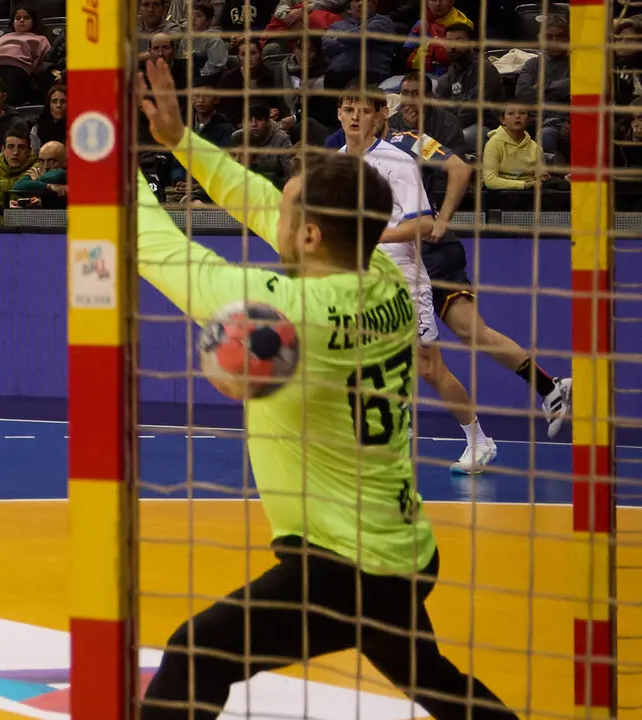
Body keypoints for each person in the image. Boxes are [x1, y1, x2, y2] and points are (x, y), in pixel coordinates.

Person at [134, 58, 521, 720]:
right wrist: (178, 141)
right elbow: (257, 198)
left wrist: (109, 163)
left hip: (344, 567)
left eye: (288, 211)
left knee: (196, 655)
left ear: (309, 233)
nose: (270, 212)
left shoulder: (284, 311)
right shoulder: (381, 277)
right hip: (400, 548)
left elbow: (157, 250)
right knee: (428, 676)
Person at [379, 119, 574, 441]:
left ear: (382, 113)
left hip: (428, 254)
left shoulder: (412, 141)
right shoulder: (348, 149)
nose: (411, 101)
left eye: (415, 94)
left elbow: (460, 169)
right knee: (472, 332)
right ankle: (550, 388)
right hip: (390, 255)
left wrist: (441, 221)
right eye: (407, 94)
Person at [337, 84, 497, 473]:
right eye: (348, 108)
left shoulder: (398, 161)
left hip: (402, 276)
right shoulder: (337, 162)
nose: (355, 116)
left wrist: (373, 236)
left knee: (428, 367)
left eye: (364, 110)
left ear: (378, 116)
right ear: (339, 114)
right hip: (356, 278)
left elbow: (424, 223)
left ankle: (479, 440)